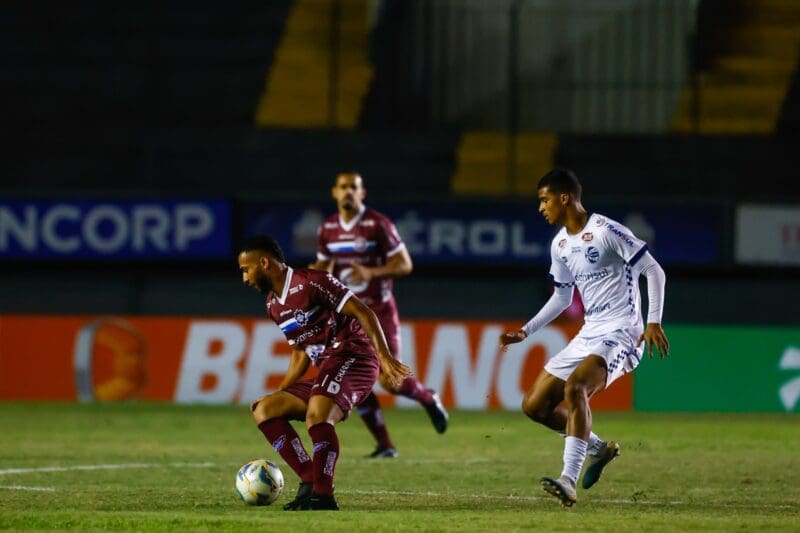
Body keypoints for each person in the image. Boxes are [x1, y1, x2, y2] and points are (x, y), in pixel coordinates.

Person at [499, 168, 669, 508]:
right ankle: (599, 449)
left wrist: (653, 322)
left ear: (564, 198)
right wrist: (526, 330)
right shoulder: (560, 244)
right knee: (534, 406)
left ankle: (567, 480)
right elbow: (562, 297)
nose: (541, 208)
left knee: (575, 388)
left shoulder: (606, 231)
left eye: (544, 200)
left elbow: (654, 270)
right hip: (590, 331)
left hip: (622, 332)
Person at [238, 234, 409, 511]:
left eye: (246, 270)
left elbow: (363, 311)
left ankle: (323, 495)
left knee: (318, 414)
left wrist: (385, 357)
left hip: (355, 357)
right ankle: (309, 480)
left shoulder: (312, 282)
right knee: (265, 409)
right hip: (329, 367)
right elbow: (299, 352)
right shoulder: (273, 305)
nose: (244, 278)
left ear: (264, 263)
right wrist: (280, 392)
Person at [310, 171, 448, 458]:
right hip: (348, 315)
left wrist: (371, 272)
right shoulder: (328, 228)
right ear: (335, 192)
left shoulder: (377, 224)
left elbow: (405, 264)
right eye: (343, 187)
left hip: (379, 310)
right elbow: (324, 267)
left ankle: (427, 398)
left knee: (390, 380)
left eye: (354, 187)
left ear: (362, 193)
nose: (348, 191)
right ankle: (385, 445)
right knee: (351, 378)